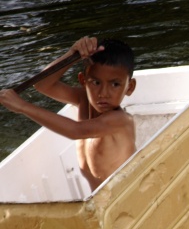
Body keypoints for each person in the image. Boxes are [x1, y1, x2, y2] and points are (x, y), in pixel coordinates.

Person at [0, 36, 136, 191]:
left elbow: (76, 130)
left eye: (115, 84)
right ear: (83, 80)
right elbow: (42, 84)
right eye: (96, 83)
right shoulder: (83, 99)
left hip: (124, 200)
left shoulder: (119, 120)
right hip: (98, 202)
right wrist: (73, 54)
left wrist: (23, 106)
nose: (103, 93)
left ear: (130, 87)